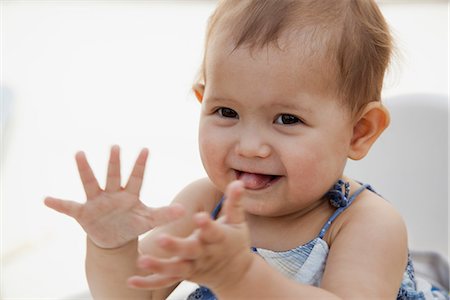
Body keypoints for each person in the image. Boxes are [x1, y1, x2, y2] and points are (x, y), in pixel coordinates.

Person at [44, 0, 449, 299]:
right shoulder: (204, 202)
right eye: (226, 111)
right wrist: (111, 248)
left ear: (359, 132)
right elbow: (133, 295)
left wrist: (241, 279)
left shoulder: (367, 223)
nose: (250, 146)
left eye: (287, 120)